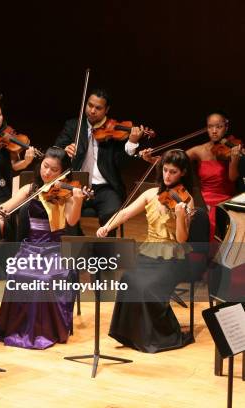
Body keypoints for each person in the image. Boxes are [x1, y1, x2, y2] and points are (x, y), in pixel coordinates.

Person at [0, 147, 87, 349]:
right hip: (30, 248)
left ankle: (43, 330)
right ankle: (17, 327)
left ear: (63, 172)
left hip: (55, 250)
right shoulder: (31, 189)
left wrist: (77, 200)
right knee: (16, 272)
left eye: (54, 170)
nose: (47, 173)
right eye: (45, 166)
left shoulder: (65, 193)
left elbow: (71, 220)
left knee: (43, 279)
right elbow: (7, 205)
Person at [97, 149, 195, 353]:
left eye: (173, 172)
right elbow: (125, 213)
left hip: (173, 255)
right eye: (165, 170)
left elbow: (182, 239)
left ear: (183, 173)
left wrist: (179, 216)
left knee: (147, 287)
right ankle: (130, 333)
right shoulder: (151, 194)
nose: (167, 176)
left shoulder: (186, 200)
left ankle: (157, 335)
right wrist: (108, 226)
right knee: (127, 279)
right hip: (149, 251)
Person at [55, 89, 146, 235]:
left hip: (105, 187)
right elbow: (55, 149)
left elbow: (120, 163)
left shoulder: (114, 130)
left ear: (106, 110)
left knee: (111, 213)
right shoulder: (74, 126)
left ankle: (106, 252)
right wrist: (64, 150)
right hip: (76, 184)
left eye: (98, 108)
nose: (92, 111)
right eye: (90, 105)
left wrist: (131, 143)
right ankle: (77, 245)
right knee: (66, 212)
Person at [183, 111, 240, 241]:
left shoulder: (233, 149)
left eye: (219, 127)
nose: (214, 131)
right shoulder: (199, 150)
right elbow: (176, 160)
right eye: (210, 127)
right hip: (203, 202)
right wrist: (154, 159)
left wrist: (235, 160)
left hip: (225, 203)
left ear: (226, 127)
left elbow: (232, 178)